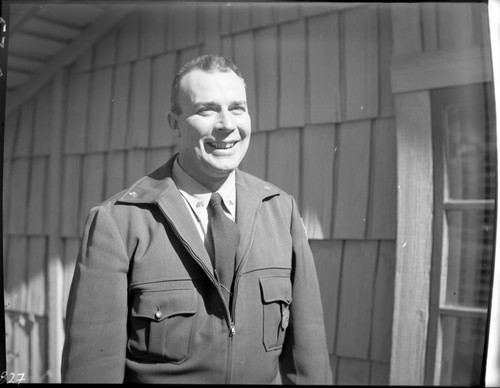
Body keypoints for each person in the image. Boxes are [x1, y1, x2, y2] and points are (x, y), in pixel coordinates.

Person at [61, 54, 332, 384]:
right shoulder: (118, 223)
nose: (227, 124)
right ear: (175, 124)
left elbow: (309, 364)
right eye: (207, 110)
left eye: (237, 108)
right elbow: (91, 373)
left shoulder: (280, 211)